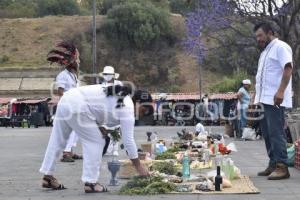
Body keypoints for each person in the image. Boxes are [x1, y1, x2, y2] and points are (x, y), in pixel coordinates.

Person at [39, 85, 150, 193]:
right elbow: (128, 141)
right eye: (143, 111)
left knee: (57, 139)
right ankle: (91, 183)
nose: (141, 115)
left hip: (67, 99)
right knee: (96, 141)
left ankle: (47, 176)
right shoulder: (128, 107)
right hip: (78, 105)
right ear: (139, 102)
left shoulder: (122, 95)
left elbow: (96, 107)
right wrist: (139, 166)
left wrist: (98, 126)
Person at [254, 22, 293, 180]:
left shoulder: (280, 47)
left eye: (260, 35)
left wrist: (281, 91)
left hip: (275, 99)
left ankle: (282, 167)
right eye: (256, 37)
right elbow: (261, 78)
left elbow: (288, 68)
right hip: (263, 99)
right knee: (267, 133)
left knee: (276, 133)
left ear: (270, 33)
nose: (258, 39)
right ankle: (273, 163)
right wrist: (255, 98)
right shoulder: (264, 53)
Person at [48, 42, 82, 162]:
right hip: (68, 106)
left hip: (75, 105)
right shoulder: (63, 75)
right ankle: (66, 153)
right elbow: (60, 92)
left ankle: (70, 151)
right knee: (72, 129)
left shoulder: (73, 75)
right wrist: (70, 101)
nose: (78, 63)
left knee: (76, 129)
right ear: (72, 63)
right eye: (77, 61)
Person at [99, 66, 123, 156]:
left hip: (116, 108)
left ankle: (115, 149)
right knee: (106, 129)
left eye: (109, 74)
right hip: (105, 109)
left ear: (113, 75)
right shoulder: (102, 85)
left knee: (116, 130)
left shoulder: (119, 83)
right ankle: (107, 148)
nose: (107, 76)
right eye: (105, 74)